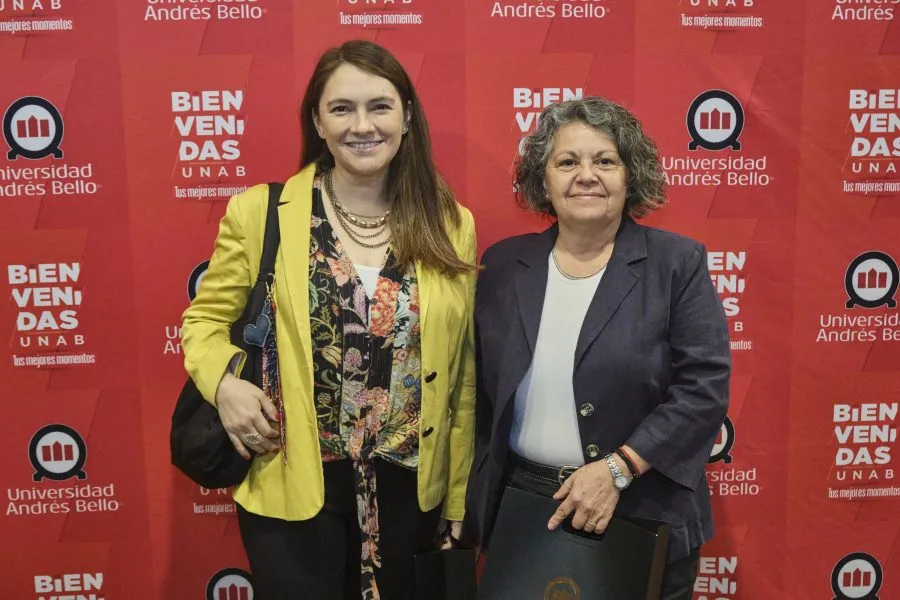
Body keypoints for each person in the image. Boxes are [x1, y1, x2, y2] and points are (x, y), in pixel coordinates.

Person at [181, 40, 477, 600]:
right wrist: (223, 385)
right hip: (291, 478)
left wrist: (458, 495)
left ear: (406, 117)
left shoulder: (449, 224)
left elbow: (460, 376)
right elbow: (203, 321)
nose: (362, 125)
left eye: (379, 106)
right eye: (342, 108)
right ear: (318, 122)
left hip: (410, 490)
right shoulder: (260, 213)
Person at [463, 96, 731, 599]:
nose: (586, 175)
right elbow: (474, 392)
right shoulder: (501, 266)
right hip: (523, 509)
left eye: (605, 161)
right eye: (567, 162)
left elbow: (705, 388)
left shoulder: (676, 263)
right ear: (543, 180)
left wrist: (618, 469)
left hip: (640, 507)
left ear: (630, 176)